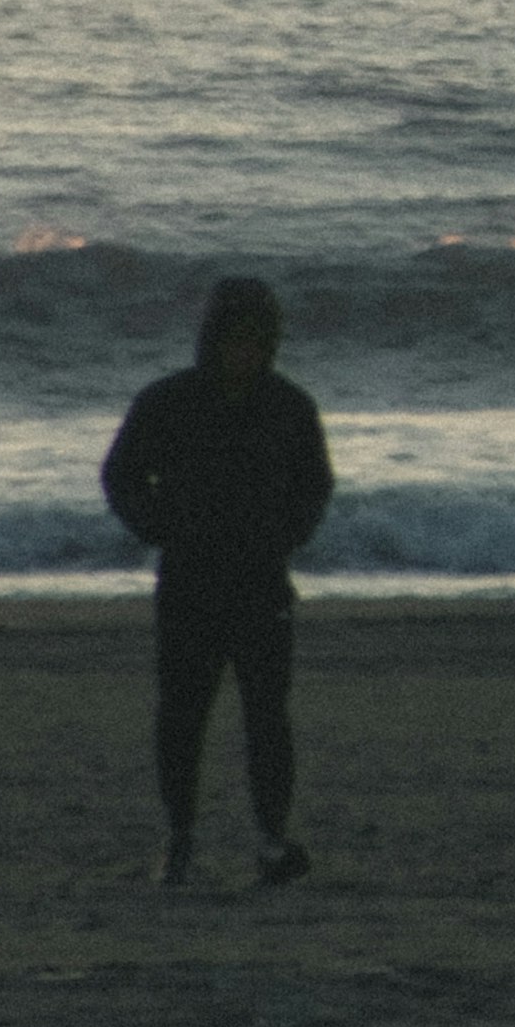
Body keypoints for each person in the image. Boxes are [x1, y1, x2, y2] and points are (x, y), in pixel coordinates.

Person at [100, 276, 334, 887]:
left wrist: (286, 534)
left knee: (268, 720)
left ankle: (271, 843)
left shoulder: (289, 406)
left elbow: (316, 485)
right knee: (182, 716)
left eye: (257, 341)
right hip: (189, 582)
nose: (244, 353)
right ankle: (179, 841)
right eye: (234, 340)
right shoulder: (168, 403)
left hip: (261, 583)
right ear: (213, 339)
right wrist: (161, 527)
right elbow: (121, 474)